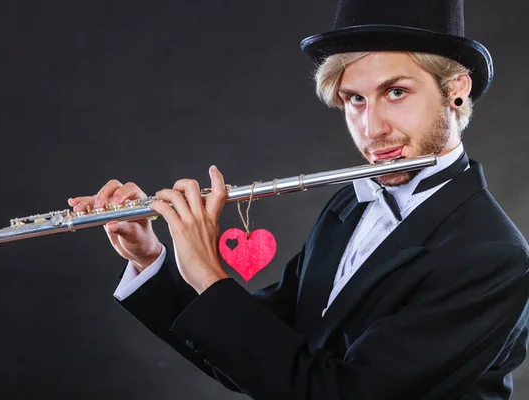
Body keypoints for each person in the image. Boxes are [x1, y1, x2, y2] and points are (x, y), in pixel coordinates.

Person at [69, 0, 529, 398]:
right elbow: (265, 359)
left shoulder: (491, 257)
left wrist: (208, 272)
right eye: (355, 100)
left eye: (395, 92)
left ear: (456, 89)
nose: (372, 129)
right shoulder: (350, 206)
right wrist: (149, 258)